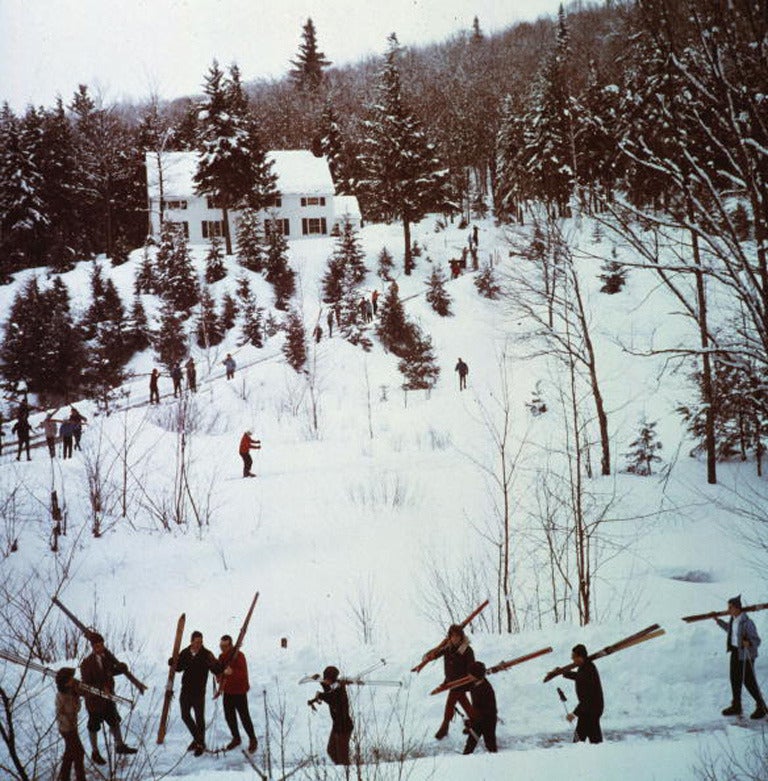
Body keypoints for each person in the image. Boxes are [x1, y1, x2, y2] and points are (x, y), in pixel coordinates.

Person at [80, 633, 137, 764]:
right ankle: (95, 752)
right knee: (94, 726)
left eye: (101, 645)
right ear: (93, 647)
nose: (99, 647)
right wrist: (101, 688)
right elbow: (86, 684)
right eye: (96, 646)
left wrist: (122, 668)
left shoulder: (107, 658)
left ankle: (120, 746)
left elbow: (111, 671)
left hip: (108, 699)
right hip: (94, 702)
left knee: (114, 721)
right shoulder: (87, 663)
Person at [715, 595, 767, 719]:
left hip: (746, 655)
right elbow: (730, 630)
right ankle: (736, 706)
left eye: (730, 607)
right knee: (735, 680)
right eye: (728, 607)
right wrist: (718, 621)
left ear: (738, 608)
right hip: (735, 652)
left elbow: (757, 641)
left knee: (749, 682)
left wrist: (748, 642)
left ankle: (762, 707)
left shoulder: (747, 623)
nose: (728, 609)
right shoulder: (733, 619)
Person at [174, 631, 220, 756]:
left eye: (201, 642)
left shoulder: (206, 654)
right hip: (186, 690)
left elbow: (216, 668)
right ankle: (198, 739)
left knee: (199, 718)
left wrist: (223, 668)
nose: (199, 644)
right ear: (191, 641)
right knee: (185, 715)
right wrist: (172, 661)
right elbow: (178, 667)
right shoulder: (185, 652)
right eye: (197, 642)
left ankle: (200, 743)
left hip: (199, 692)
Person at [430, 624, 476, 740]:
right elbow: (435, 654)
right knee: (463, 702)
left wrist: (465, 679)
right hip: (451, 681)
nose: (455, 638)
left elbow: (471, 668)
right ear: (449, 637)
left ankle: (444, 727)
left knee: (450, 703)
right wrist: (428, 656)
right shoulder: (447, 648)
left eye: (457, 636)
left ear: (461, 637)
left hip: (462, 682)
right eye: (452, 636)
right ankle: (477, 722)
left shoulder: (466, 650)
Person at [216, 634, 258, 752]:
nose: (222, 648)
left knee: (244, 717)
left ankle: (252, 739)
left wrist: (232, 672)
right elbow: (219, 671)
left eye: (225, 646)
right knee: (229, 717)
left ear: (230, 645)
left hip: (239, 692)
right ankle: (236, 738)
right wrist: (219, 676)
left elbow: (243, 674)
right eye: (221, 646)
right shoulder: (221, 657)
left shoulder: (239, 656)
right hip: (228, 691)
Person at [310, 665, 353, 765]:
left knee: (343, 758)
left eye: (326, 679)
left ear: (332, 679)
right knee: (331, 751)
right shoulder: (334, 687)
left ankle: (346, 774)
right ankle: (341, 769)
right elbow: (328, 690)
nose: (325, 680)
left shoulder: (339, 691)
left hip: (344, 728)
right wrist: (320, 681)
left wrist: (320, 695)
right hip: (337, 726)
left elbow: (331, 698)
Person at [561, 643, 604, 744]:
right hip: (590, 709)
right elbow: (579, 676)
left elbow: (587, 698)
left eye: (573, 657)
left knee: (583, 740)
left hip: (591, 710)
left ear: (580, 657)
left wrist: (574, 714)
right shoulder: (586, 666)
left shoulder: (588, 670)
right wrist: (564, 672)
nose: (572, 660)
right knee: (591, 740)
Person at [55, 667, 86, 781]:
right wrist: (70, 724)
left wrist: (77, 695)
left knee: (69, 753)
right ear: (65, 682)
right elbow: (61, 713)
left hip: (72, 726)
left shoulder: (72, 691)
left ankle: (64, 777)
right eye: (70, 679)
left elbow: (77, 709)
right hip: (67, 729)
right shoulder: (62, 696)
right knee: (79, 753)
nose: (73, 680)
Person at [462, 661, 497, 754]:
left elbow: (488, 710)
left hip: (488, 721)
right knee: (469, 746)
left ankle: (495, 762)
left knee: (490, 745)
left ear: (476, 675)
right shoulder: (473, 684)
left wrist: (472, 721)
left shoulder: (486, 689)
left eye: (470, 674)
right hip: (477, 719)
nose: (468, 675)